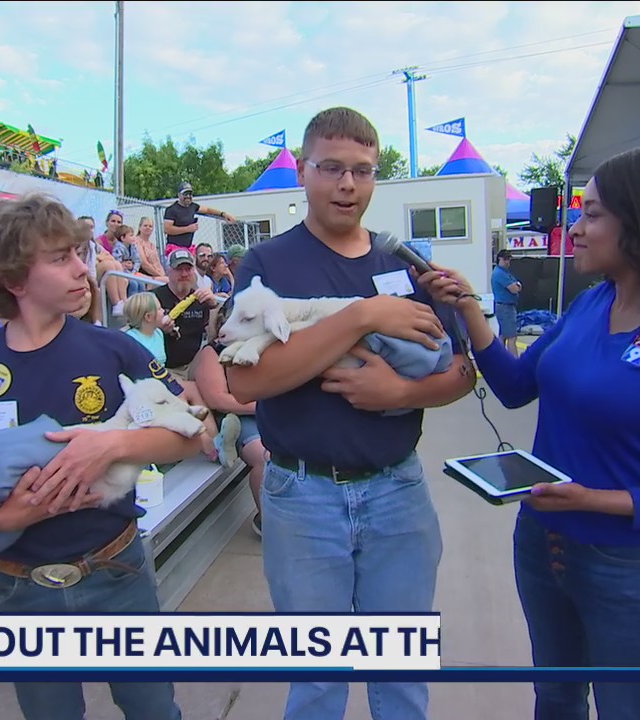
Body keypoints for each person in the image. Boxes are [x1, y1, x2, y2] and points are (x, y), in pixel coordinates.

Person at [427, 142, 640, 720]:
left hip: (629, 568)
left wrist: (598, 501)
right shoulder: (589, 304)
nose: (575, 229)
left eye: (593, 214)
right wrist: (469, 311)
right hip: (542, 544)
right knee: (556, 699)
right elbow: (513, 388)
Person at [0, 194, 195, 720]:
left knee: (155, 710)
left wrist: (114, 444)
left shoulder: (113, 350)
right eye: (60, 258)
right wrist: (1, 518)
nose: (83, 268)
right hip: (21, 590)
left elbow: (194, 433)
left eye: (79, 253)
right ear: (15, 279)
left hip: (117, 572)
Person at [226, 106, 476, 720]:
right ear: (303, 173)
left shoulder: (405, 263)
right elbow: (242, 383)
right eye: (331, 168)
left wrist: (402, 395)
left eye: (363, 171)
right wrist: (361, 317)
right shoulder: (266, 266)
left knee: (402, 676)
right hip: (303, 495)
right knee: (317, 680)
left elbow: (463, 372)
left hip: (398, 489)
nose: (347, 185)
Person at [195, 298, 266, 537]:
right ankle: (266, 521)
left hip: (263, 411)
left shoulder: (263, 347)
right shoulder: (212, 352)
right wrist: (266, 406)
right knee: (265, 456)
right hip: (232, 419)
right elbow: (218, 400)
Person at [153, 249, 218, 385]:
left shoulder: (200, 299)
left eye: (188, 269)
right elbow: (138, 333)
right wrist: (158, 330)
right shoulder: (154, 298)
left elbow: (213, 336)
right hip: (166, 368)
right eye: (179, 269)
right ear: (169, 271)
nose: (184, 274)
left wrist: (214, 306)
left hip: (194, 364)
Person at [162, 182, 236, 249]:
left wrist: (224, 214)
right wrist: (187, 229)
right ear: (179, 195)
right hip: (174, 247)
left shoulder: (193, 206)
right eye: (185, 194)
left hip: (188, 247)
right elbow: (167, 229)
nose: (188, 196)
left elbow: (207, 210)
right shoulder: (171, 210)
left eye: (190, 194)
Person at [491, 248, 523, 356]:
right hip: (506, 307)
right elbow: (514, 288)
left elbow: (517, 285)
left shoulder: (504, 272)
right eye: (505, 259)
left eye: (509, 259)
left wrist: (517, 285)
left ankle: (500, 358)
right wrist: (517, 285)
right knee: (512, 337)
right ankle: (514, 361)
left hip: (504, 307)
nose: (508, 262)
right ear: (499, 259)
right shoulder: (500, 274)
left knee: (503, 335)